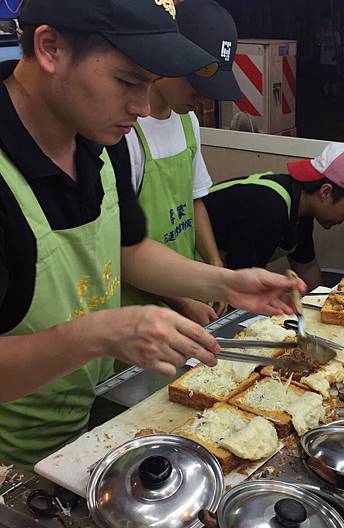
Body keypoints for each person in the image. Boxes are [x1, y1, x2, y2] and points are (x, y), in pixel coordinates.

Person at [0, 0, 304, 470]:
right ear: (50, 47)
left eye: (148, 84)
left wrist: (225, 282)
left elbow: (129, 248)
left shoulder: (99, 141)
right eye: (127, 81)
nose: (142, 108)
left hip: (79, 423)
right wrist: (99, 333)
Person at [121, 0, 243, 325]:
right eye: (197, 84)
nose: (204, 99)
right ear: (167, 56)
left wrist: (216, 265)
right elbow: (121, 248)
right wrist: (184, 301)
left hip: (187, 288)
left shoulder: (188, 123)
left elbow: (195, 199)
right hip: (141, 310)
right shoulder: (124, 131)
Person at [198, 142, 344, 290]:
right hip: (194, 262)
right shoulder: (269, 208)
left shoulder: (302, 208)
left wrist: (324, 307)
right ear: (325, 193)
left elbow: (306, 267)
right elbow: (241, 286)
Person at [317, 16, 342, 98]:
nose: (327, 24)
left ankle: (335, 96)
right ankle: (326, 95)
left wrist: (336, 55)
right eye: (326, 22)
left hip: (333, 61)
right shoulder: (322, 33)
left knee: (334, 80)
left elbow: (339, 46)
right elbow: (318, 43)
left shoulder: (336, 33)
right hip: (324, 60)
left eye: (329, 22)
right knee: (325, 80)